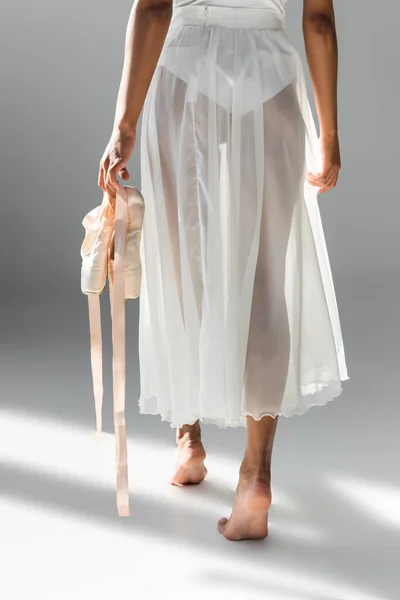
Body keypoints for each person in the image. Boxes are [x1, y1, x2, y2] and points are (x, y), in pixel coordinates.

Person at [98, 0, 349, 541]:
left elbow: (155, 7)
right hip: (272, 73)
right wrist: (328, 133)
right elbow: (320, 20)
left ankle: (188, 439)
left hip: (186, 71)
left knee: (183, 265)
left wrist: (124, 124)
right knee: (267, 281)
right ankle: (255, 478)